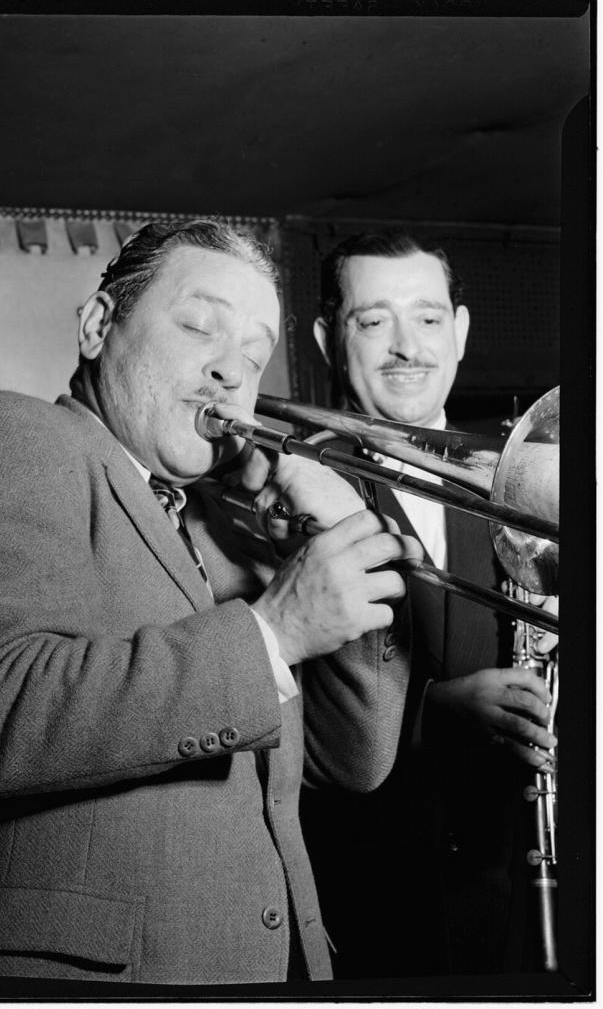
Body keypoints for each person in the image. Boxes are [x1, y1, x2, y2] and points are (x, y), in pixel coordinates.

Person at [0, 219, 422, 986]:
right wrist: (273, 632)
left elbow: (355, 763)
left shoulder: (215, 531)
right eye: (199, 325)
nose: (229, 372)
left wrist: (338, 533)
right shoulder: (11, 434)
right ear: (99, 325)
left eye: (254, 351)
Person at [301, 230, 558, 977]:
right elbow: (275, 713)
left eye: (427, 318)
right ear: (327, 337)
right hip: (365, 898)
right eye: (372, 321)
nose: (405, 348)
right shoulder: (284, 486)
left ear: (461, 329)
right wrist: (432, 710)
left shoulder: (531, 477)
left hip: (514, 886)